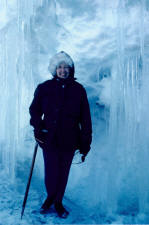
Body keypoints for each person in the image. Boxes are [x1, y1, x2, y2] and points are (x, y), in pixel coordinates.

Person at [29, 51, 92, 218]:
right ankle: (50, 198)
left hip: (70, 139)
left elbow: (85, 118)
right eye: (60, 67)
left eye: (66, 67)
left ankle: (58, 202)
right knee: (51, 172)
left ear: (71, 70)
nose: (63, 70)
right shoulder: (44, 88)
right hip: (49, 138)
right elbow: (34, 110)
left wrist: (86, 142)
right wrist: (38, 128)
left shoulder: (79, 90)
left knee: (63, 173)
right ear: (54, 69)